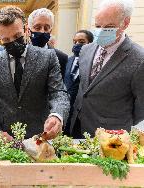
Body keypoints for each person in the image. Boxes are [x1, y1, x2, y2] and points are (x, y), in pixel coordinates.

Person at [0, 6, 69, 140]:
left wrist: (57, 115)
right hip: (6, 137)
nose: (13, 42)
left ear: (26, 30)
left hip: (41, 134)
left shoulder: (48, 57)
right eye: (6, 40)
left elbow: (58, 92)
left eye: (17, 36)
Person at [70, 0, 144, 138]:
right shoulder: (85, 50)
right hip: (77, 128)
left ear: (125, 23)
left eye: (109, 27)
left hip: (111, 138)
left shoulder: (139, 59)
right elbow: (85, 90)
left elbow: (141, 110)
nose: (102, 31)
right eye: (98, 26)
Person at [63, 30, 94, 135]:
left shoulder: (95, 64)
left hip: (83, 116)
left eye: (81, 42)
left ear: (90, 44)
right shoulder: (68, 60)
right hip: (66, 113)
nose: (77, 45)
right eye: (74, 42)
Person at [28, 8, 68, 78]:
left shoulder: (61, 57)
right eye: (37, 27)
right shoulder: (19, 54)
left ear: (50, 31)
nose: (42, 31)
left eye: (46, 28)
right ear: (29, 30)